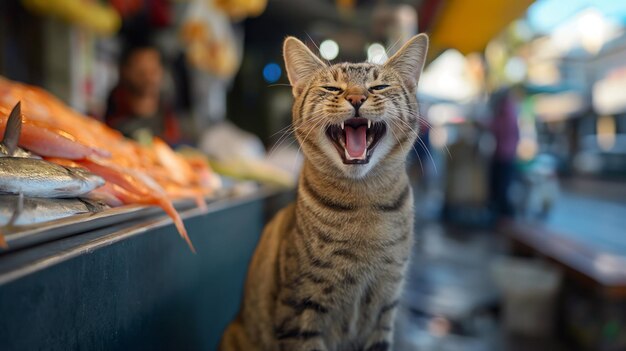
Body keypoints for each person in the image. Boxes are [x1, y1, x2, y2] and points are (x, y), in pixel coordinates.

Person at [104, 42, 183, 145]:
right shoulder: (111, 115)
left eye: (153, 71)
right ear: (125, 72)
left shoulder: (170, 119)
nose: (148, 78)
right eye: (141, 72)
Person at [488, 87, 520, 220]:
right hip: (507, 154)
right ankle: (504, 217)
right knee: (500, 188)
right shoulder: (510, 110)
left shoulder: (505, 111)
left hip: (503, 155)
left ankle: (505, 219)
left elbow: (497, 126)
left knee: (500, 189)